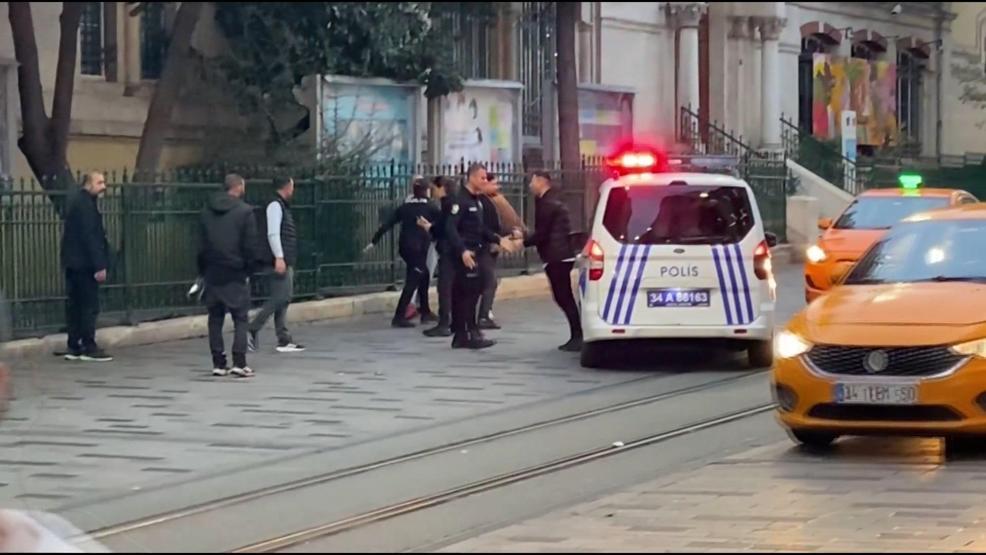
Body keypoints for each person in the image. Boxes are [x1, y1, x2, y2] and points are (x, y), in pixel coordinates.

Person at [445, 164, 518, 349]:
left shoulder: (476, 200)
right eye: (482, 178)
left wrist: (498, 240)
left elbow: (480, 228)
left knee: (472, 292)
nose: (485, 181)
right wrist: (462, 250)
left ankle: (466, 333)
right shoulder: (460, 200)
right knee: (467, 294)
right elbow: (450, 227)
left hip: (477, 251)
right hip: (466, 254)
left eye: (486, 178)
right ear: (472, 178)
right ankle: (468, 333)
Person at [198, 174, 262, 377]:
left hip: (212, 270)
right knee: (240, 318)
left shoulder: (206, 211)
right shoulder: (245, 212)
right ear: (239, 187)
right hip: (235, 270)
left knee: (215, 318)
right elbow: (250, 246)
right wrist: (249, 269)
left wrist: (202, 270)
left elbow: (200, 245)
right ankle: (239, 362)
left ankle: (218, 362)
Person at [517, 171, 583, 351]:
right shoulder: (553, 200)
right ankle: (577, 333)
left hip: (557, 256)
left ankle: (578, 335)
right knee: (563, 296)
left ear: (541, 181)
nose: (530, 186)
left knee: (563, 296)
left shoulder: (547, 203)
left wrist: (523, 242)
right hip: (562, 254)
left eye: (532, 182)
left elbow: (543, 233)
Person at [366, 176, 441, 327]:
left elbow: (387, 224)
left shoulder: (405, 207)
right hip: (417, 249)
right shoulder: (430, 207)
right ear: (426, 191)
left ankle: (425, 311)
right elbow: (444, 223)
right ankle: (399, 316)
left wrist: (373, 241)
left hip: (406, 248)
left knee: (424, 274)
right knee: (413, 280)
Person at [248, 176, 305, 353]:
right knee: (280, 297)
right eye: (292, 187)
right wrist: (279, 257)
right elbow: (273, 233)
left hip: (284, 257)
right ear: (287, 187)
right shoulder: (275, 206)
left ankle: (283, 338)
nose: (293, 191)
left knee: (284, 298)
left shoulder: (280, 205)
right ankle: (252, 328)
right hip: (278, 259)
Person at [60, 171, 112, 362]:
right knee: (88, 305)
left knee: (75, 305)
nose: (103, 187)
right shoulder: (86, 206)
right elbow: (91, 237)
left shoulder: (77, 203)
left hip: (73, 263)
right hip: (85, 265)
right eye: (99, 183)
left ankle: (74, 344)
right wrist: (100, 265)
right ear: (88, 185)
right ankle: (88, 345)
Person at [419, 176, 458, 337]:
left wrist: (429, 227)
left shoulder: (448, 205)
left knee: (445, 287)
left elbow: (446, 228)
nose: (432, 192)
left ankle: (444, 323)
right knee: (451, 287)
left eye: (434, 188)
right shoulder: (450, 203)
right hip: (452, 250)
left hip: (449, 251)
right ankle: (452, 321)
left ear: (442, 188)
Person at [477, 173, 503, 330]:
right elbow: (481, 226)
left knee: (487, 281)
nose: (497, 187)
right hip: (484, 247)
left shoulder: (491, 201)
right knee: (490, 281)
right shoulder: (481, 202)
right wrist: (494, 239)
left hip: (490, 245)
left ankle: (484, 313)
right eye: (494, 184)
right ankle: (483, 316)